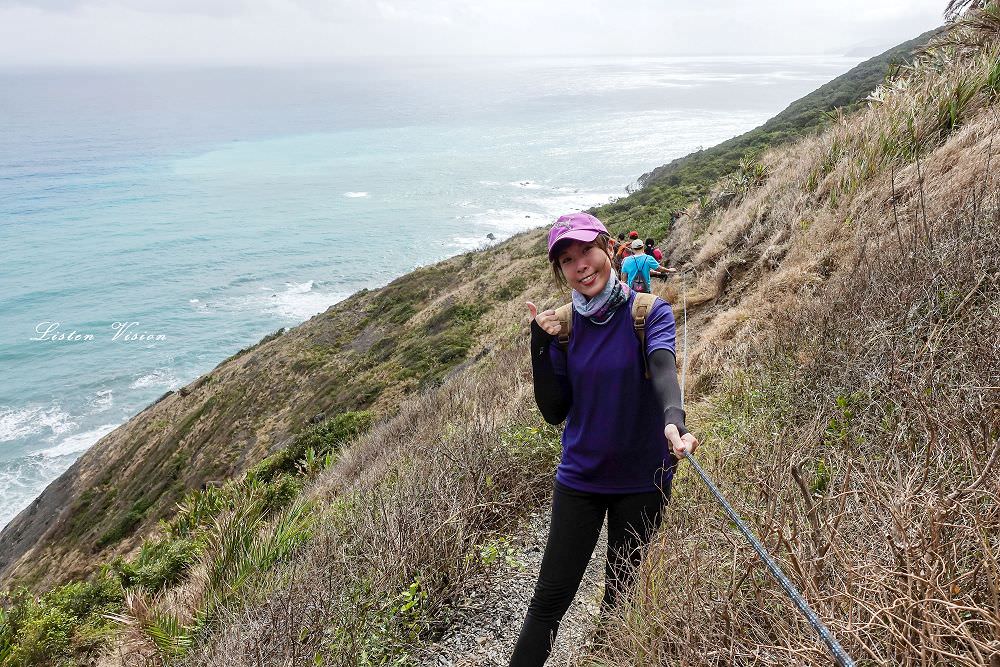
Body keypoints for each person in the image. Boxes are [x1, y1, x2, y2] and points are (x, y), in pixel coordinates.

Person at [513, 212, 698, 666]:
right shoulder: (563, 327)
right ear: (561, 271)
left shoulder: (647, 312)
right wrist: (540, 344)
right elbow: (554, 411)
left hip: (643, 479)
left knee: (619, 598)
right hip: (581, 478)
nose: (581, 266)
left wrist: (674, 419)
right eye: (567, 260)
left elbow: (662, 371)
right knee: (549, 602)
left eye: (586, 252)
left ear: (609, 247)